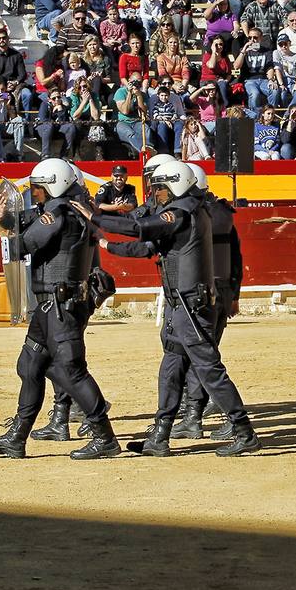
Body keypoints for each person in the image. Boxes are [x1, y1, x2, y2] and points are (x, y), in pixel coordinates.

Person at [83, 162, 260, 456]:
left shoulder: (183, 210)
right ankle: (161, 434)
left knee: (207, 368)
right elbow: (148, 247)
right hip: (181, 303)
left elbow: (140, 228)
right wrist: (107, 244)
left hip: (191, 303)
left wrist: (96, 217)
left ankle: (244, 431)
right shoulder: (187, 210)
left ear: (176, 185)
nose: (156, 193)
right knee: (172, 366)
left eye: (161, 188)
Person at [0, 158, 121, 460]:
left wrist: (4, 231)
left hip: (61, 306)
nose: (35, 194)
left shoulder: (57, 214)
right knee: (29, 365)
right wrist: (4, 216)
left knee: (70, 371)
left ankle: (104, 436)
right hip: (49, 305)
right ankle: (17, 437)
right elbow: (23, 219)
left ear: (53, 186)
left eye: (38, 189)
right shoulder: (64, 209)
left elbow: (22, 245)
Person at [172, 163, 245, 441]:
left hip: (201, 293)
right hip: (222, 290)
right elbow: (236, 257)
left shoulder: (193, 214)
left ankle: (204, 416)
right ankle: (194, 414)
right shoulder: (222, 213)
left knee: (202, 357)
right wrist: (235, 294)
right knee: (203, 355)